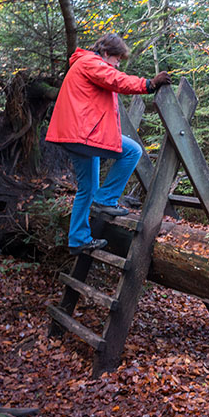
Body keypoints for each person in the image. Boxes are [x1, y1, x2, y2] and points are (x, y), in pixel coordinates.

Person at [46, 33, 171, 255]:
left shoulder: (83, 63)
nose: (117, 64)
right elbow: (116, 80)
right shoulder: (91, 62)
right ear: (106, 53)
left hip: (74, 136)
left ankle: (78, 240)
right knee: (132, 151)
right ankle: (106, 200)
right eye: (117, 59)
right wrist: (149, 84)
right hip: (81, 134)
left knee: (87, 188)